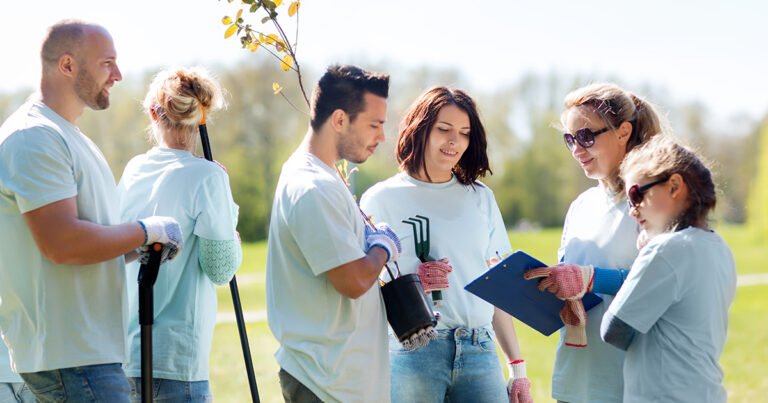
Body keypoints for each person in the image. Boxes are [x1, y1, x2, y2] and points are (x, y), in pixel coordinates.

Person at [0, 20, 182, 402]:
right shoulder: (34, 137)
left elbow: (86, 241)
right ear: (67, 66)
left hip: (87, 353)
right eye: (107, 63)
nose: (117, 75)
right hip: (71, 356)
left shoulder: (69, 136)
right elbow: (63, 244)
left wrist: (142, 246)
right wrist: (146, 230)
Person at [360, 86, 532, 403]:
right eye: (444, 129)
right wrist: (414, 284)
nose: (454, 141)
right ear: (420, 129)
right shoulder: (381, 199)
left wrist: (517, 368)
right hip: (413, 351)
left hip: (480, 349)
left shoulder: (481, 197)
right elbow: (364, 285)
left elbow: (496, 286)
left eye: (464, 133)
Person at [523, 83, 665, 402]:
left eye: (586, 136)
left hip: (633, 385)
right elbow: (575, 287)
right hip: (576, 381)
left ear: (623, 132)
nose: (577, 149)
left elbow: (665, 283)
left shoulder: (655, 201)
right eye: (569, 139)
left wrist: (590, 278)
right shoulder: (581, 206)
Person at [266, 64, 399, 403]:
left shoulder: (325, 178)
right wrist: (383, 247)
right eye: (375, 125)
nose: (382, 137)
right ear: (340, 120)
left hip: (341, 384)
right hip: (323, 385)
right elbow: (352, 281)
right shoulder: (311, 186)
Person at [117, 67, 241, 402]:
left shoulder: (133, 170)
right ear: (202, 116)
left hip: (126, 359)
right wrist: (228, 207)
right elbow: (220, 269)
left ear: (153, 113)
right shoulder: (208, 177)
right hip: (178, 361)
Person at [599, 136, 736, 402]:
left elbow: (613, 331)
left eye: (636, 195)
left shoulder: (664, 250)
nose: (632, 211)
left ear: (674, 186)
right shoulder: (720, 248)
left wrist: (643, 257)